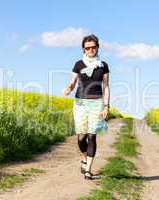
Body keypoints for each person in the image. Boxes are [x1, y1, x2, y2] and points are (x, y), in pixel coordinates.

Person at [63, 34, 110, 180]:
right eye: (87, 48)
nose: (90, 50)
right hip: (80, 103)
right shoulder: (79, 64)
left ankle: (88, 169)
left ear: (97, 48)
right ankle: (84, 157)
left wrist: (106, 106)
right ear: (83, 49)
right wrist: (69, 88)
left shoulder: (103, 65)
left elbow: (106, 86)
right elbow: (73, 81)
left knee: (92, 136)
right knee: (81, 138)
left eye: (93, 47)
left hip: (96, 102)